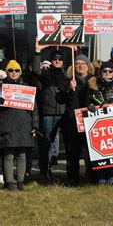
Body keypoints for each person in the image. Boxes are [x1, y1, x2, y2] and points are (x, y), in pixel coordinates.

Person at [87, 61, 113, 185]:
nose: (107, 73)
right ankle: (100, 177)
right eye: (105, 71)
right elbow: (89, 102)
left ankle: (111, 176)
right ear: (101, 72)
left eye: (110, 71)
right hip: (98, 124)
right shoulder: (94, 86)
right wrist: (91, 106)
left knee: (112, 150)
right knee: (100, 150)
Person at [56, 54, 95, 186]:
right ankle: (73, 178)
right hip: (72, 122)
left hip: (90, 122)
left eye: (83, 64)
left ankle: (91, 177)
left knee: (91, 152)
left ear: (88, 66)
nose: (80, 66)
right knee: (73, 152)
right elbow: (59, 99)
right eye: (77, 64)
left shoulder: (93, 80)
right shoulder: (68, 81)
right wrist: (68, 89)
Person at [0, 60, 39, 191]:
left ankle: (21, 182)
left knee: (22, 155)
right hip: (7, 125)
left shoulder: (26, 86)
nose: (14, 73)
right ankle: (10, 182)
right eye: (11, 70)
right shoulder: (1, 87)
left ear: (20, 72)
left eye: (16, 70)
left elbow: (34, 107)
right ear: (7, 72)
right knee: (8, 155)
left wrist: (35, 123)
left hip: (24, 125)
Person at [32, 42, 67, 181]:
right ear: (51, 61)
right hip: (48, 113)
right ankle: (45, 171)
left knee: (69, 143)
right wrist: (37, 52)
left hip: (64, 113)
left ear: (63, 61)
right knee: (47, 142)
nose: (57, 61)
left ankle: (70, 172)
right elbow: (36, 70)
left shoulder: (68, 75)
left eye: (59, 59)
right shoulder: (46, 74)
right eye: (54, 59)